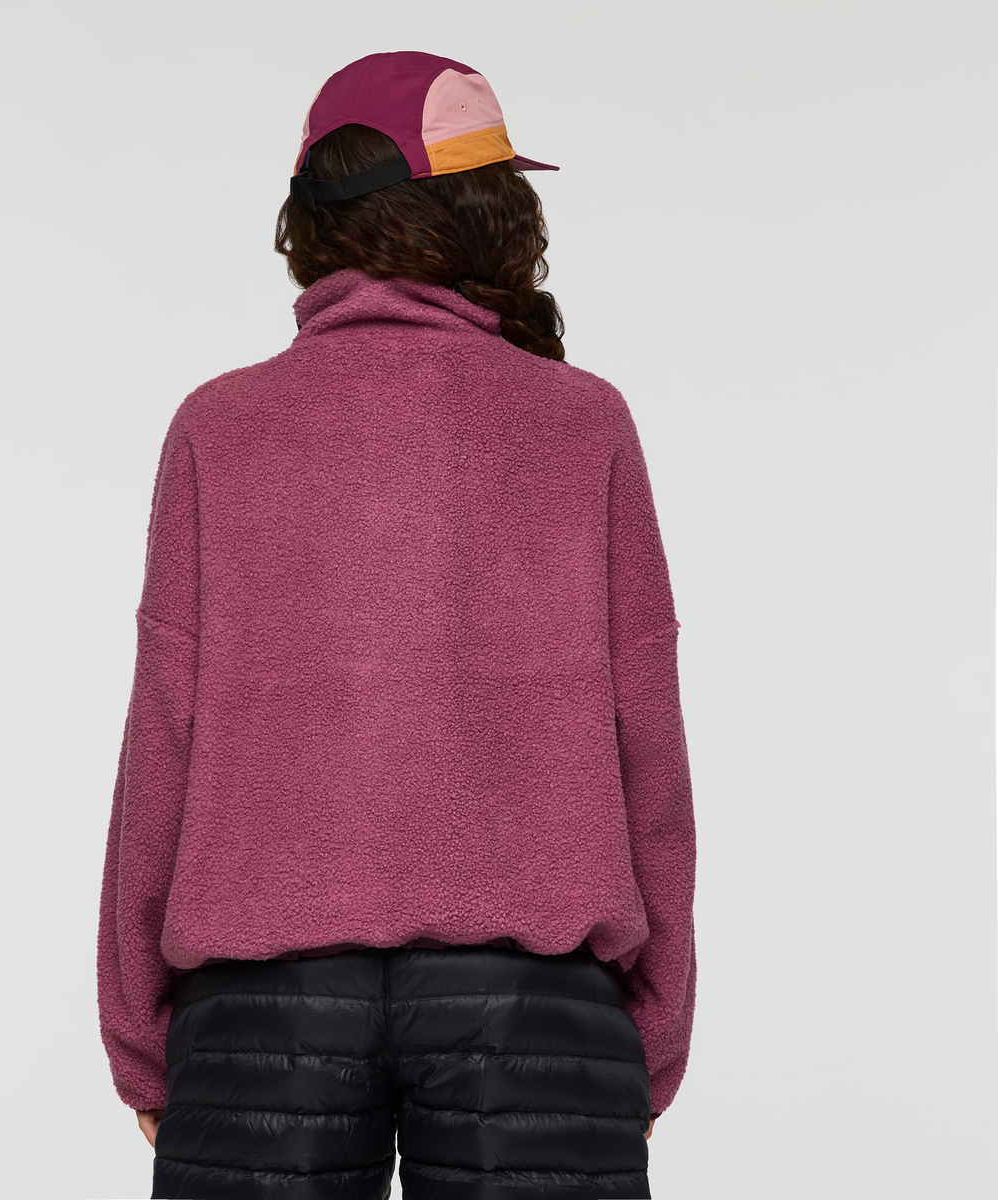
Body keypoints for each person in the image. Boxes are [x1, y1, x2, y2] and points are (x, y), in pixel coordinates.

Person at [97, 50, 697, 1200]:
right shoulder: (583, 423)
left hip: (262, 1001)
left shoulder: (219, 427)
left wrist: (140, 1033)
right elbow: (648, 744)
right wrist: (653, 1028)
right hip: (535, 1001)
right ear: (490, 212)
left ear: (315, 221)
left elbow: (162, 733)